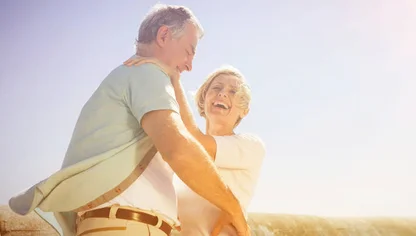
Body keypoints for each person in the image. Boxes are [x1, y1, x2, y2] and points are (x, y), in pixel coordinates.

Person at [7, 4, 250, 236]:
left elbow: (188, 134)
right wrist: (234, 208)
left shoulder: (133, 76)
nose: (189, 65)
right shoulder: (147, 74)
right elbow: (181, 149)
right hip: (128, 225)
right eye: (189, 51)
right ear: (164, 35)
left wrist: (174, 79)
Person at [123, 58, 266, 236]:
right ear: (203, 98)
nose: (222, 94)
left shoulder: (251, 146)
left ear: (244, 110)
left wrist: (174, 77)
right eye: (216, 88)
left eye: (233, 91)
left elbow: (192, 139)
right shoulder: (182, 166)